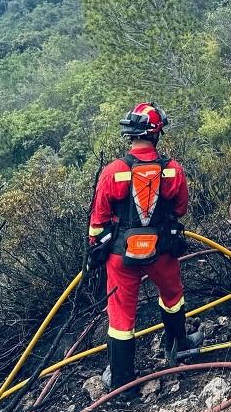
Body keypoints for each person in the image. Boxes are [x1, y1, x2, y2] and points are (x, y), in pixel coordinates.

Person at [87, 103, 202, 392]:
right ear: (156, 133)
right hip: (161, 249)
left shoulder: (113, 171)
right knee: (172, 296)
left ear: (131, 135)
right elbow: (181, 208)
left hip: (121, 254)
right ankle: (178, 347)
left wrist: (96, 249)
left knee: (120, 314)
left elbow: (98, 220)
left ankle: (122, 380)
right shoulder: (172, 170)